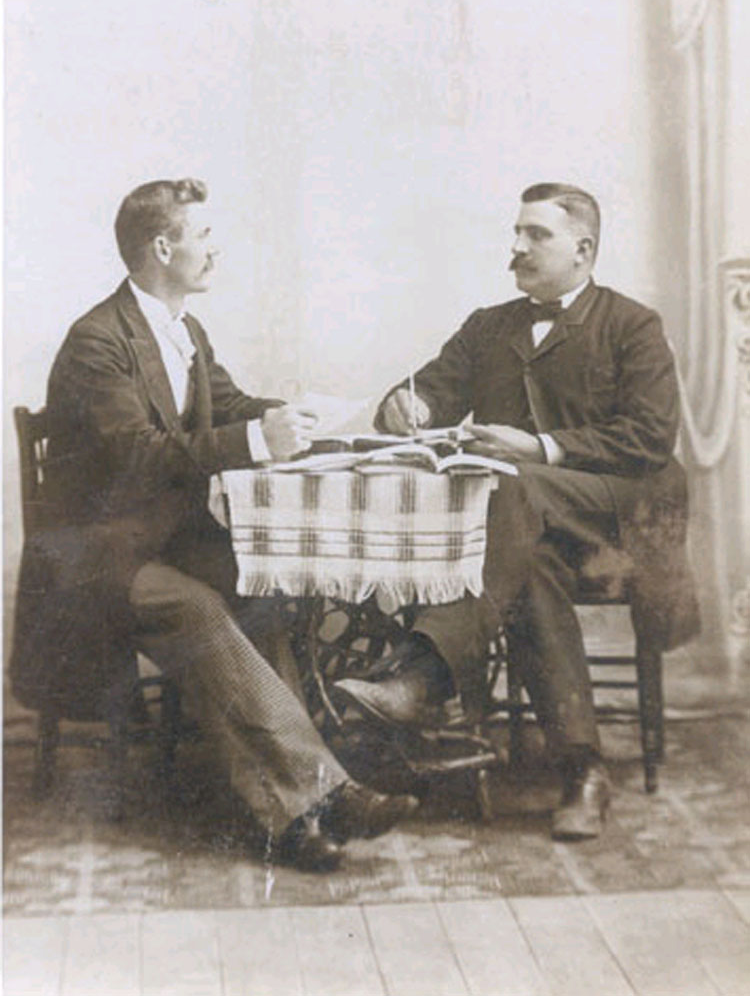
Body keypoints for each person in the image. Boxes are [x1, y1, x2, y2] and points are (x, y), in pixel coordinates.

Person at [10, 178, 417, 872]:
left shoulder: (184, 329)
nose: (214, 249)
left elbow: (225, 404)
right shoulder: (96, 341)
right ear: (162, 248)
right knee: (198, 610)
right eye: (202, 236)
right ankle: (319, 798)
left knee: (261, 589)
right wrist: (258, 439)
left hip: (161, 543)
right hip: (94, 559)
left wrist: (291, 416)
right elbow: (140, 454)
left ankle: (299, 808)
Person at [335, 182, 699, 841]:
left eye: (537, 234)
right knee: (526, 566)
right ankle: (583, 771)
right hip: (525, 534)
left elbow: (650, 439)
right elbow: (427, 390)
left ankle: (426, 672)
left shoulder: (633, 325)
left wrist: (540, 447)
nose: (517, 247)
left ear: (583, 249)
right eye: (516, 232)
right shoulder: (489, 327)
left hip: (620, 518)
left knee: (513, 486)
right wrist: (406, 406)